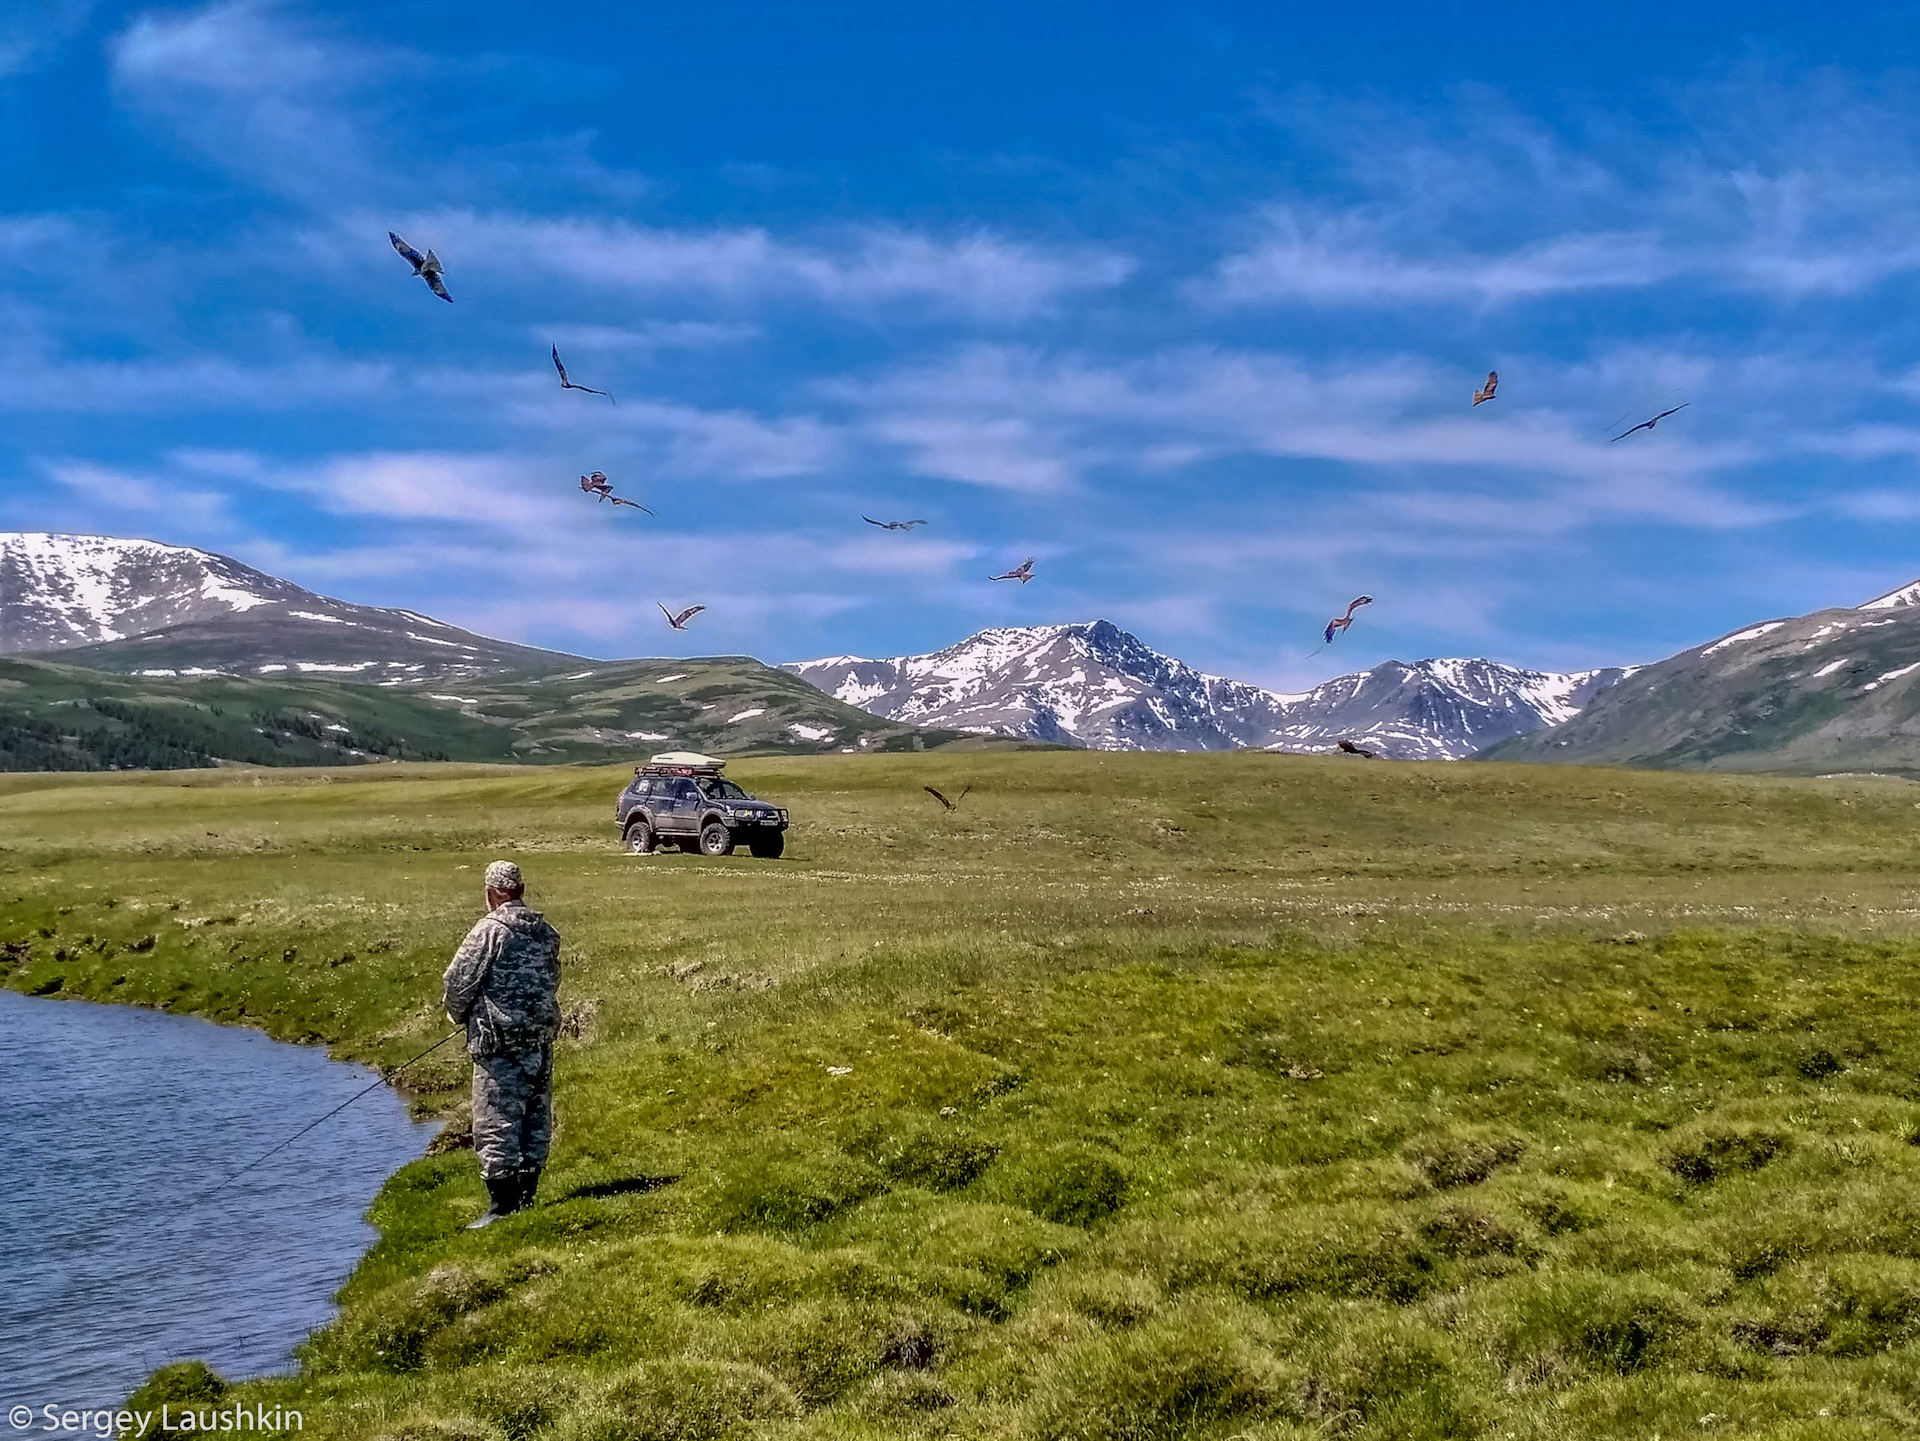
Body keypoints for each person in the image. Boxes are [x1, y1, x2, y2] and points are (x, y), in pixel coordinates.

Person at [443, 860, 562, 1228]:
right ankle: (526, 1198)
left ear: (490, 894)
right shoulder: (546, 932)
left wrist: (460, 1016)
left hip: (499, 1043)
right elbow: (552, 980)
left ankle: (501, 1207)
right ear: (521, 891)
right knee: (534, 1118)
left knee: (495, 1121)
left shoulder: (488, 932)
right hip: (538, 1039)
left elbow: (457, 984)